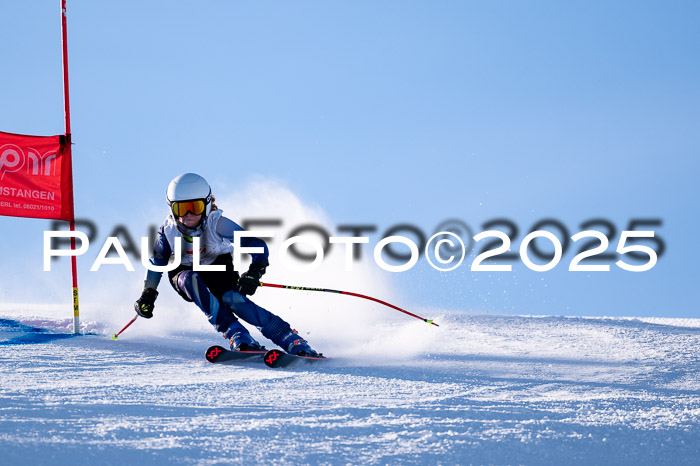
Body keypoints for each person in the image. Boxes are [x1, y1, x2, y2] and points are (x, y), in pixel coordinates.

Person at [134, 172, 320, 356]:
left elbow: (256, 245)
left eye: (195, 207)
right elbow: (157, 263)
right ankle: (236, 334)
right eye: (182, 209)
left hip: (218, 267)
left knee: (234, 300)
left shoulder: (218, 224)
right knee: (190, 280)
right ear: (172, 209)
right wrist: (148, 293)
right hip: (184, 270)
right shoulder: (168, 231)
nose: (189, 214)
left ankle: (289, 338)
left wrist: (255, 271)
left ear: (206, 205)